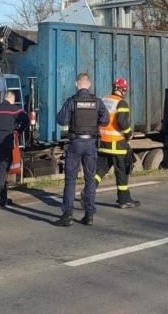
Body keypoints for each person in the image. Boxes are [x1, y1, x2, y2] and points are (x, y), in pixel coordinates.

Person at [55, 73, 108, 226]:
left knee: (70, 179)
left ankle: (67, 216)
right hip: (91, 143)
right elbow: (105, 120)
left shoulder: (71, 102)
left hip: (75, 143)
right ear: (89, 84)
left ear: (76, 84)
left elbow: (61, 120)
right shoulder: (97, 102)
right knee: (90, 179)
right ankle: (89, 215)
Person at [84, 78, 140, 209]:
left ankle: (87, 193)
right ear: (123, 89)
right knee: (122, 172)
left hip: (103, 143)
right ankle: (124, 199)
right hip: (117, 144)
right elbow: (122, 122)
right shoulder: (121, 103)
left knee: (100, 171)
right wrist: (128, 133)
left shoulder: (104, 100)